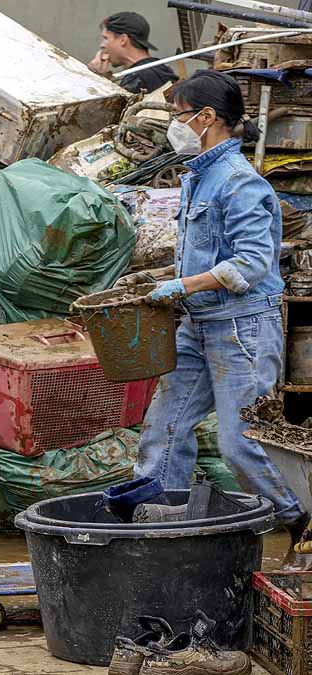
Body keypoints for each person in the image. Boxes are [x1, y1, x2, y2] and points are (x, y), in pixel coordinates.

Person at [125, 70, 310, 566]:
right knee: (164, 429)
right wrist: (160, 277)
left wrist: (181, 285)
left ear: (207, 119)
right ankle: (159, 531)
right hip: (197, 324)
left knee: (238, 442)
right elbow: (207, 256)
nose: (174, 126)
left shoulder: (240, 183)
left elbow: (251, 263)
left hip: (241, 327)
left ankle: (300, 522)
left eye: (179, 116)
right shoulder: (198, 177)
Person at [88, 11, 179, 94]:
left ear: (123, 39)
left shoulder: (141, 76)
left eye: (106, 38)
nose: (102, 45)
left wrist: (95, 79)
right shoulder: (155, 70)